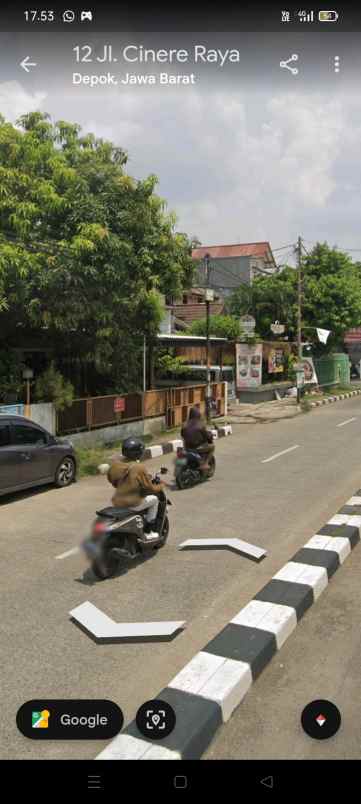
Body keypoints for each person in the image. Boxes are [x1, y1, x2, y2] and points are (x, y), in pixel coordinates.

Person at [105, 437, 164, 541]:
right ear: (138, 452)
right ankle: (149, 531)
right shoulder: (139, 467)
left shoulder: (115, 465)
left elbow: (111, 479)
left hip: (118, 502)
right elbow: (149, 487)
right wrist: (160, 486)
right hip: (132, 503)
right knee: (154, 500)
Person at [181, 406, 215, 474]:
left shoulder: (184, 424)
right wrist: (210, 436)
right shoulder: (200, 424)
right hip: (197, 448)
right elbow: (206, 436)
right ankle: (205, 464)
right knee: (212, 447)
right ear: (198, 415)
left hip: (187, 448)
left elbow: (182, 434)